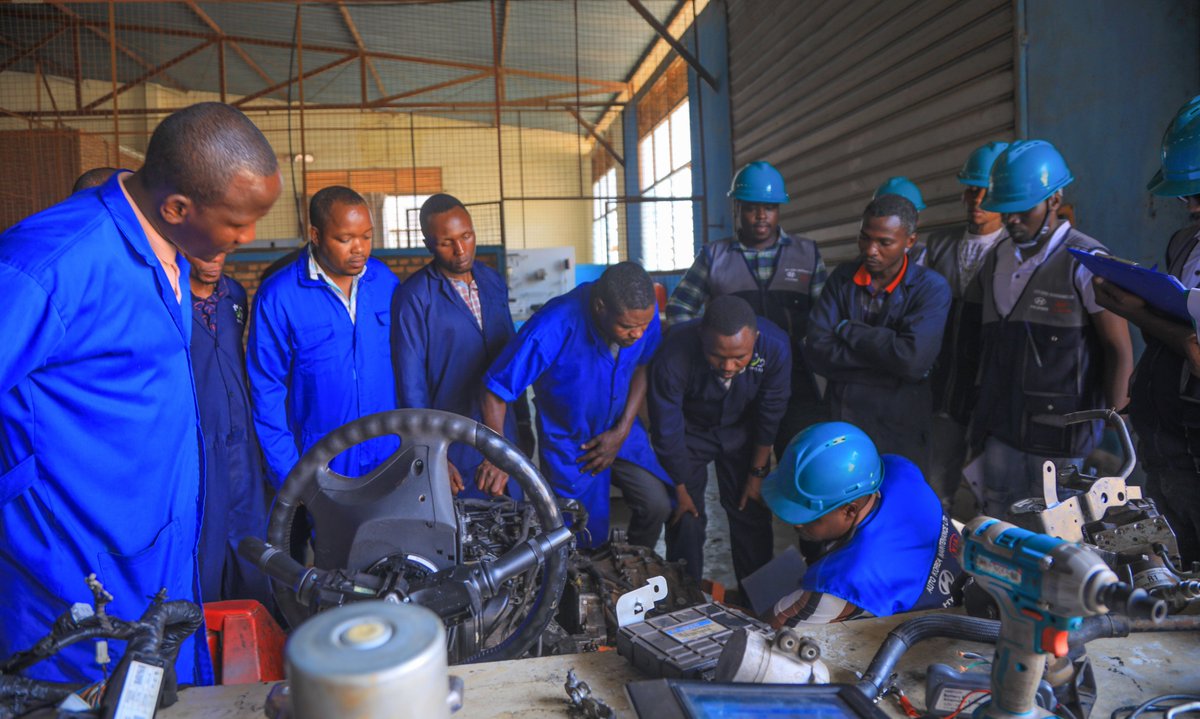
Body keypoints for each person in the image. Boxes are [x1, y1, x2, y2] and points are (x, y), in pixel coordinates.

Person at [0, 102, 281, 683]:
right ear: (178, 207)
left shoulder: (166, 253)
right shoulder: (49, 265)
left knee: (156, 686)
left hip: (157, 550)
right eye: (238, 223)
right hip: (75, 568)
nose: (249, 238)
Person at [971, 140, 1133, 517]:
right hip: (1002, 434)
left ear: (1055, 200)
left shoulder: (1086, 261)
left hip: (1065, 444)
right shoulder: (997, 258)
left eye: (1022, 211)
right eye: (1005, 211)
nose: (1011, 220)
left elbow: (1118, 349)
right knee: (1002, 537)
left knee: (1064, 543)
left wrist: (1115, 429)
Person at [479, 262, 672, 547]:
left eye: (644, 326)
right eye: (628, 327)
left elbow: (643, 364)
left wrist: (621, 431)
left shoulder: (642, 310)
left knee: (657, 504)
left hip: (622, 431)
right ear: (599, 307)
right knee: (579, 533)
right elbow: (494, 391)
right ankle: (589, 584)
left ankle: (630, 570)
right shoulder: (551, 327)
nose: (638, 334)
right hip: (571, 445)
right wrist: (497, 454)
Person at [1094, 96, 1200, 565]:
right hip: (1164, 427)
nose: (1190, 205)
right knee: (1176, 558)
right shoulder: (1186, 241)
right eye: (1185, 194)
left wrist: (1135, 312)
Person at [667, 161, 827, 459]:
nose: (761, 215)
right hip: (736, 385)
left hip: (795, 380)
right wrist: (711, 357)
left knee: (802, 461)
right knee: (743, 478)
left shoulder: (807, 254)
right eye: (752, 207)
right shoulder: (714, 257)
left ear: (779, 209)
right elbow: (680, 309)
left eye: (770, 207)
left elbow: (824, 319)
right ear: (737, 207)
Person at [248, 186, 399, 488]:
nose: (359, 248)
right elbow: (267, 389)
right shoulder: (279, 296)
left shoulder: (385, 282)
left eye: (367, 237)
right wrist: (288, 474)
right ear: (316, 236)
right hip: (319, 462)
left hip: (388, 454)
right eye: (345, 239)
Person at [763, 422, 963, 627]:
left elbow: (771, 628)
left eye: (812, 517)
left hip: (931, 644)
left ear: (849, 510)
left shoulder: (842, 583)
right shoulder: (900, 471)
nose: (797, 525)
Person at [648, 296, 790, 584]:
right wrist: (680, 485)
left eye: (740, 357)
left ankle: (758, 605)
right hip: (690, 433)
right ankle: (685, 601)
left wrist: (757, 472)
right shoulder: (674, 352)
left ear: (756, 339)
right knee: (685, 516)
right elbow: (667, 427)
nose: (728, 366)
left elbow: (770, 414)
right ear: (702, 337)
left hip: (743, 431)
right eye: (717, 355)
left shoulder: (775, 347)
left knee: (750, 509)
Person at [805, 194, 951, 475]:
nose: (871, 250)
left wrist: (848, 330)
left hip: (901, 429)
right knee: (846, 506)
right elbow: (816, 350)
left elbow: (913, 361)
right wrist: (889, 357)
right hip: (845, 421)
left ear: (909, 241)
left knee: (897, 506)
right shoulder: (842, 279)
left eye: (884, 242)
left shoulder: (930, 289)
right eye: (865, 238)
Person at [391, 193, 521, 498]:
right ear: (428, 245)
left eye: (466, 236)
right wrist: (432, 453)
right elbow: (412, 386)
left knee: (514, 523)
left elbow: (511, 352)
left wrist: (522, 427)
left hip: (503, 428)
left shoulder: (491, 281)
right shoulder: (414, 297)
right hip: (451, 439)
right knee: (464, 530)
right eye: (446, 242)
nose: (461, 249)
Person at [920, 142, 1010, 508]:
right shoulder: (938, 246)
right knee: (935, 486)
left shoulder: (1013, 250)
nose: (977, 199)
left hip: (991, 392)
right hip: (945, 390)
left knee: (988, 496)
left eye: (987, 191)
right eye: (972, 189)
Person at [186, 250, 273, 606]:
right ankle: (204, 640)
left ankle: (257, 627)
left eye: (220, 249)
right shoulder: (169, 298)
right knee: (206, 544)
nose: (213, 258)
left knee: (251, 538)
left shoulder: (235, 295)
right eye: (204, 250)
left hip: (241, 435)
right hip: (198, 440)